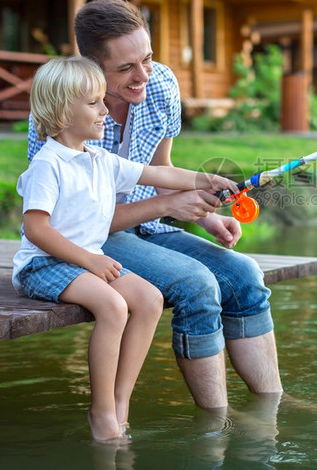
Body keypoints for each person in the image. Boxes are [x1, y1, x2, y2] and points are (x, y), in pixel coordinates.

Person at [27, 0, 283, 410]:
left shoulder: (160, 84)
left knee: (244, 275)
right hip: (89, 240)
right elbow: (70, 221)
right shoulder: (62, 112)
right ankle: (219, 420)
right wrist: (170, 206)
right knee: (196, 285)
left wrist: (206, 216)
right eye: (126, 68)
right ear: (93, 69)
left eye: (147, 58)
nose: (143, 75)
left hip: (146, 226)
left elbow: (160, 169)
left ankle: (272, 405)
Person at [13, 56, 238, 441]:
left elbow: (159, 173)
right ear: (62, 110)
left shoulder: (100, 159)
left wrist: (207, 178)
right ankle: (101, 412)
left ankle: (121, 403)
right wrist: (89, 259)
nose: (106, 111)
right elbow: (35, 229)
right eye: (94, 103)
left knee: (149, 299)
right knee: (114, 306)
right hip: (46, 264)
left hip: (86, 262)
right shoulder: (48, 165)